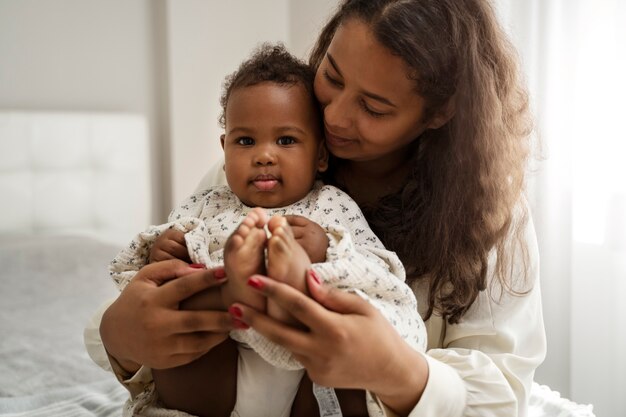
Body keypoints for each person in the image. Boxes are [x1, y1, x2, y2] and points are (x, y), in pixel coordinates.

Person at [85, 0, 547, 416]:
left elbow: (502, 394)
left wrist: (399, 372)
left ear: (439, 111)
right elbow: (155, 290)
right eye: (332, 76)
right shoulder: (248, 178)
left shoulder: (489, 214)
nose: (335, 117)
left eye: (374, 107)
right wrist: (118, 338)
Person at [103, 43, 425, 417]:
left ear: (320, 156)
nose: (264, 155)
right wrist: (163, 248)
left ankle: (281, 285)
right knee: (183, 298)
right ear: (225, 151)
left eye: (286, 140)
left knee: (348, 322)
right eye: (245, 141)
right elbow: (150, 263)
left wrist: (326, 249)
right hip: (219, 362)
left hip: (305, 369)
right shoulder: (209, 203)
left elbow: (376, 270)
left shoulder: (331, 205)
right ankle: (236, 288)